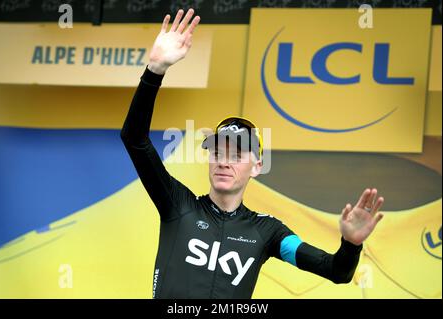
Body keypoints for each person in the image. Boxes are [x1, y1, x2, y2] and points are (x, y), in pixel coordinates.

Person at [120, 8, 385, 299]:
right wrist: (155, 70)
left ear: (257, 166)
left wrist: (350, 244)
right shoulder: (177, 203)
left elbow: (336, 271)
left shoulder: (268, 231)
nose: (223, 160)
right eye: (217, 151)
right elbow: (134, 138)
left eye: (236, 155)